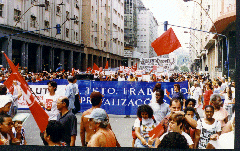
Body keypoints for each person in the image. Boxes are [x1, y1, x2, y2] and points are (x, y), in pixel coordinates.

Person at [39, 81, 59, 145]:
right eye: (48, 86)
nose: (48, 88)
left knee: (52, 136)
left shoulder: (57, 97)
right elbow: (45, 105)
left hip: (54, 119)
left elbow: (58, 107)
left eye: (50, 86)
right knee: (43, 135)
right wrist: (42, 104)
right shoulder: (45, 96)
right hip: (46, 118)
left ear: (54, 87)